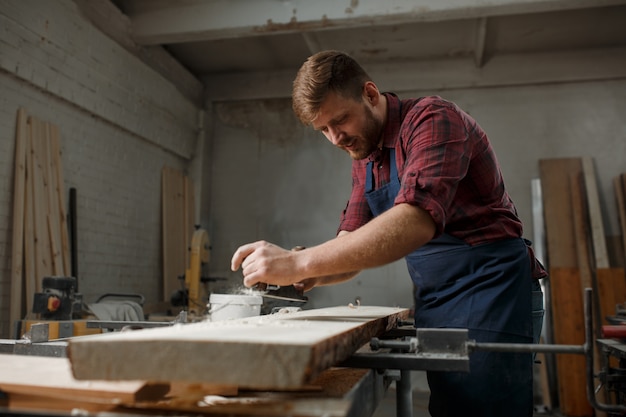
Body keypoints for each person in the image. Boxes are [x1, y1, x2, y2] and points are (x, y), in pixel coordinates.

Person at [231, 50, 546, 417]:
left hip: (495, 292)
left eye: (340, 120)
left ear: (369, 93)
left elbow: (415, 220)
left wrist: (297, 262)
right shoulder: (366, 155)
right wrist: (301, 274)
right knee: (451, 409)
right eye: (323, 130)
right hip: (439, 301)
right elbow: (349, 245)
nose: (335, 138)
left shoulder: (432, 119)